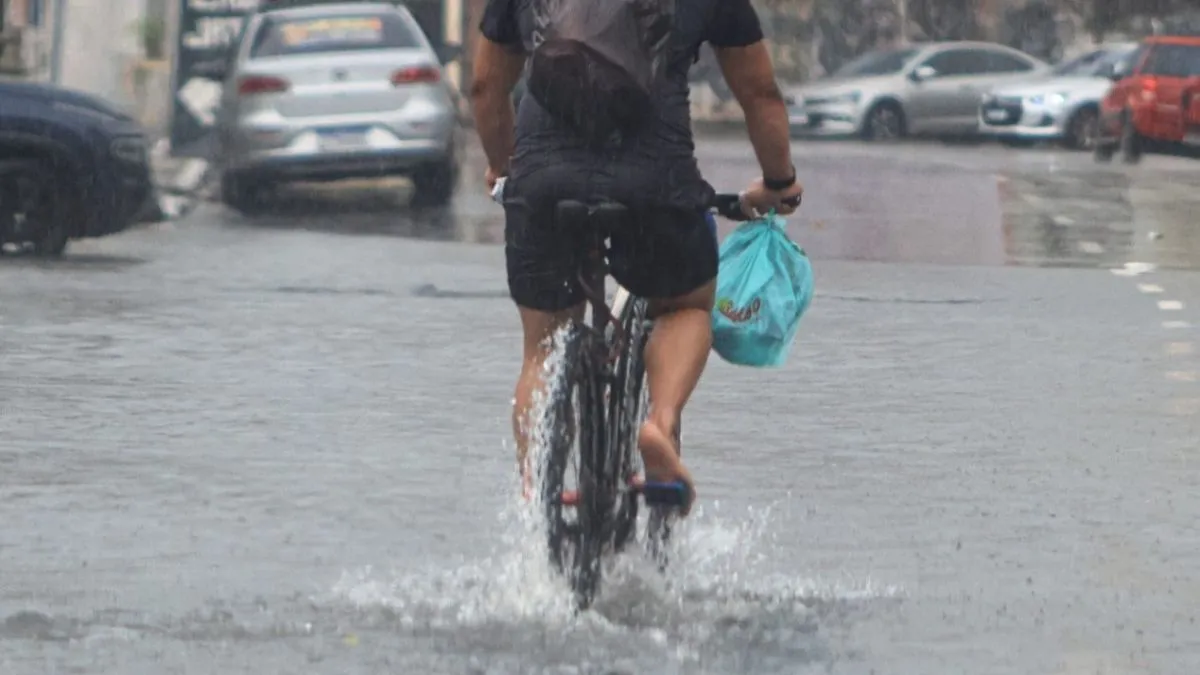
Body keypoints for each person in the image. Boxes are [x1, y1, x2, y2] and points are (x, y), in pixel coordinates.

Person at [470, 0, 804, 516]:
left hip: (544, 180)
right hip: (654, 182)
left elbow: (486, 88)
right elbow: (760, 94)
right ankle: (660, 425)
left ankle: (536, 490)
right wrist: (779, 183)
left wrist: (504, 168)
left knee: (543, 347)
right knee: (685, 305)